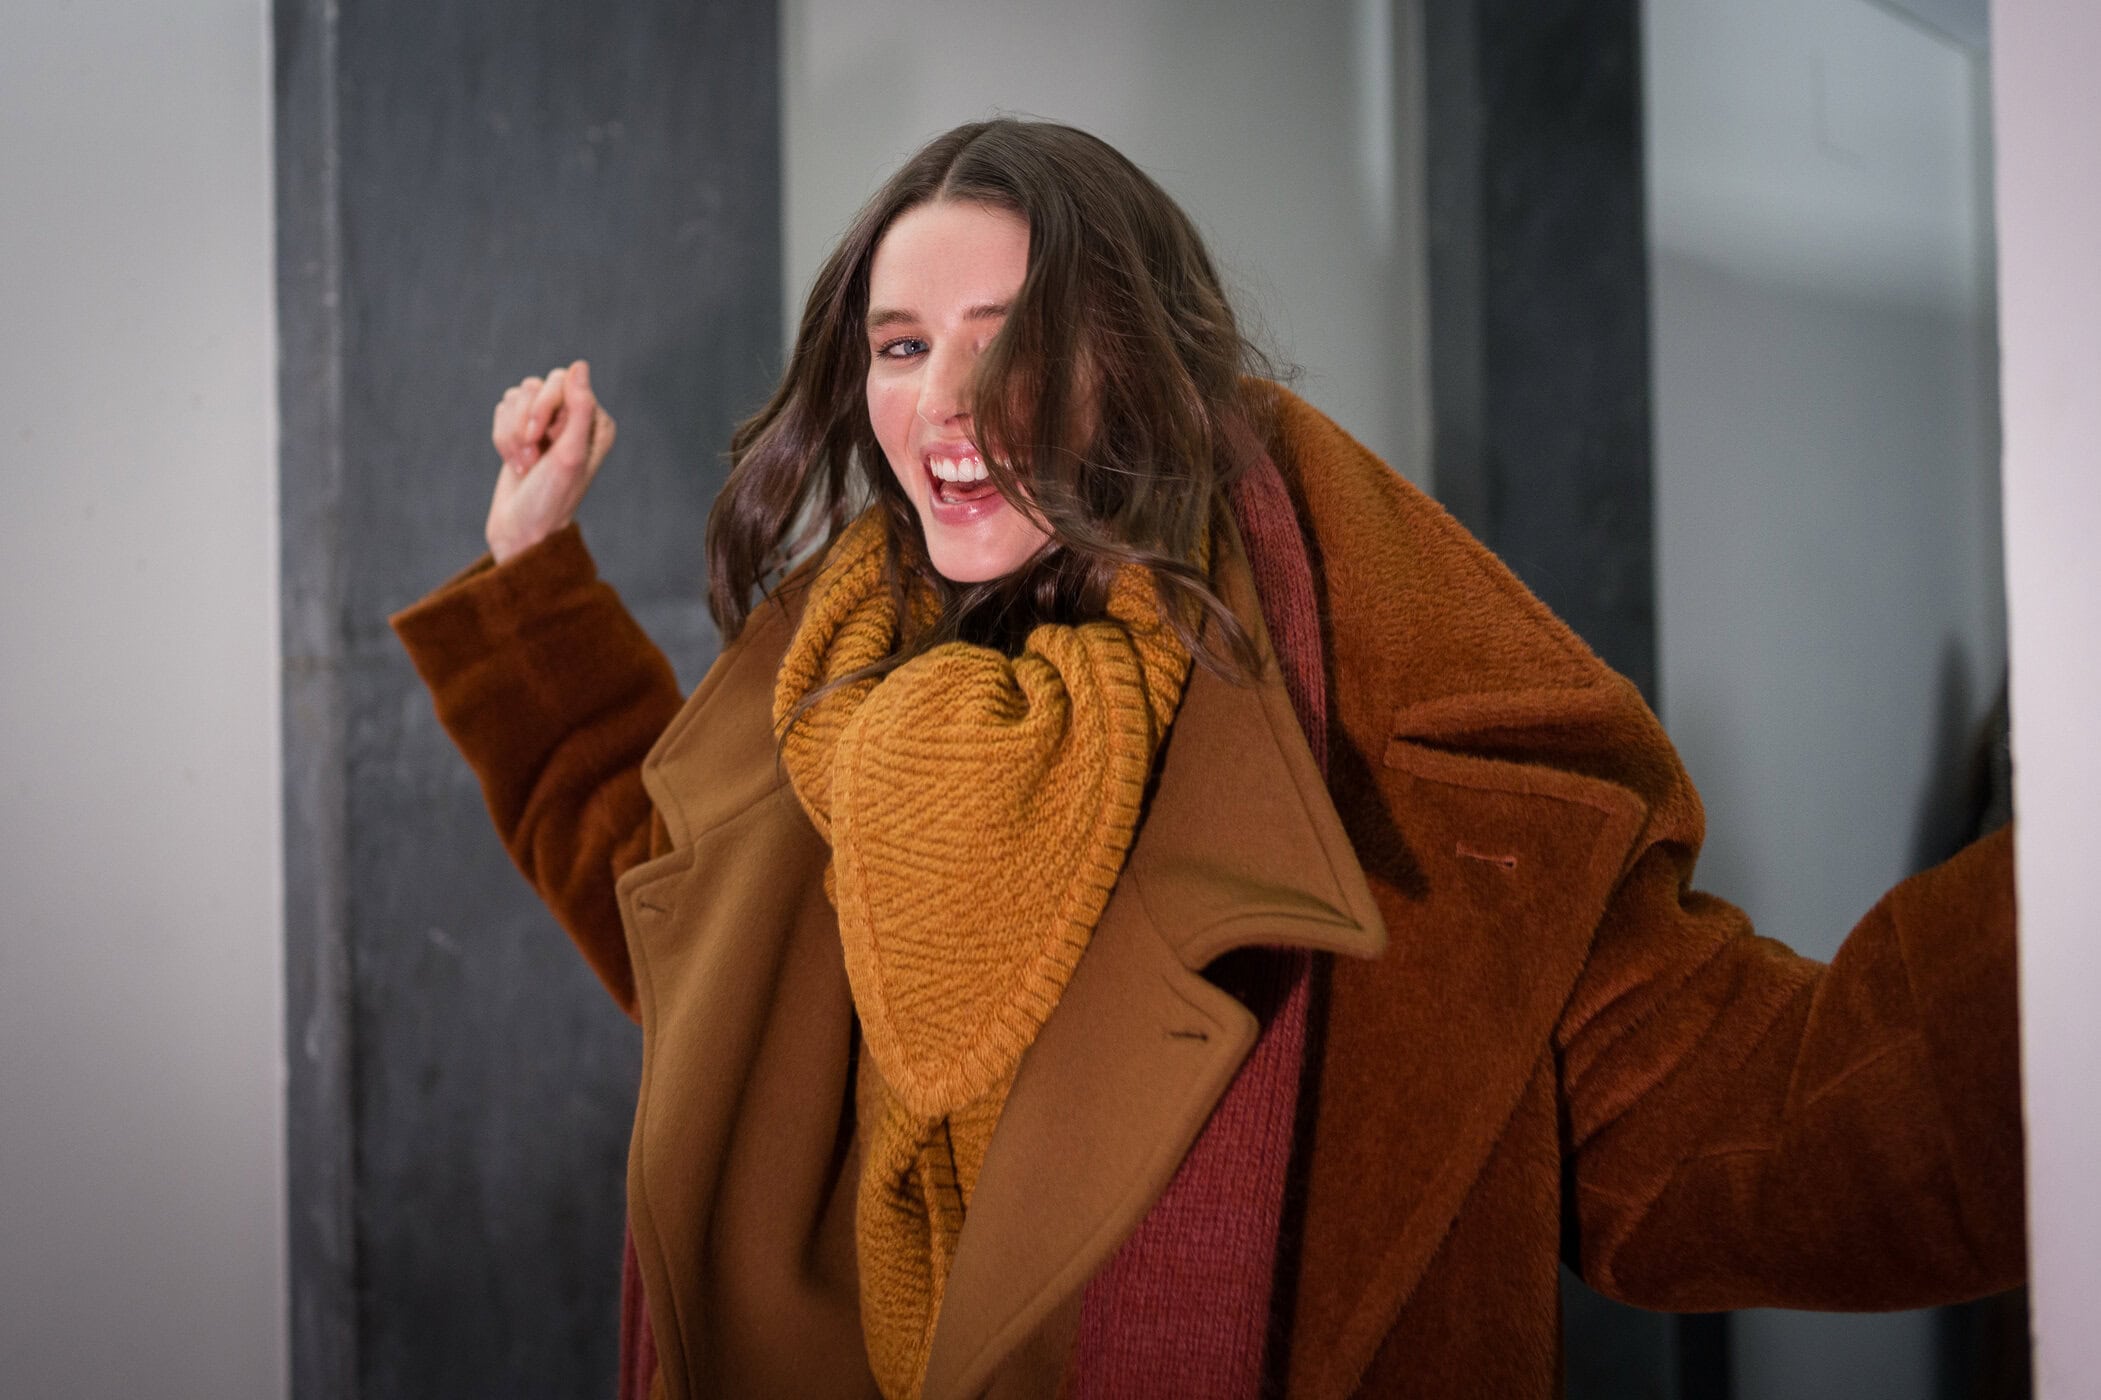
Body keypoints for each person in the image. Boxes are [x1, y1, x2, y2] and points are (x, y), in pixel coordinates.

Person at [391, 119, 2022, 1400]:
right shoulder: (844, 702)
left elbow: (1759, 1136)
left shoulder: (1388, 775)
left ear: (1139, 366)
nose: (944, 400)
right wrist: (531, 584)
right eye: (898, 345)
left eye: (1009, 336)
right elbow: (695, 944)